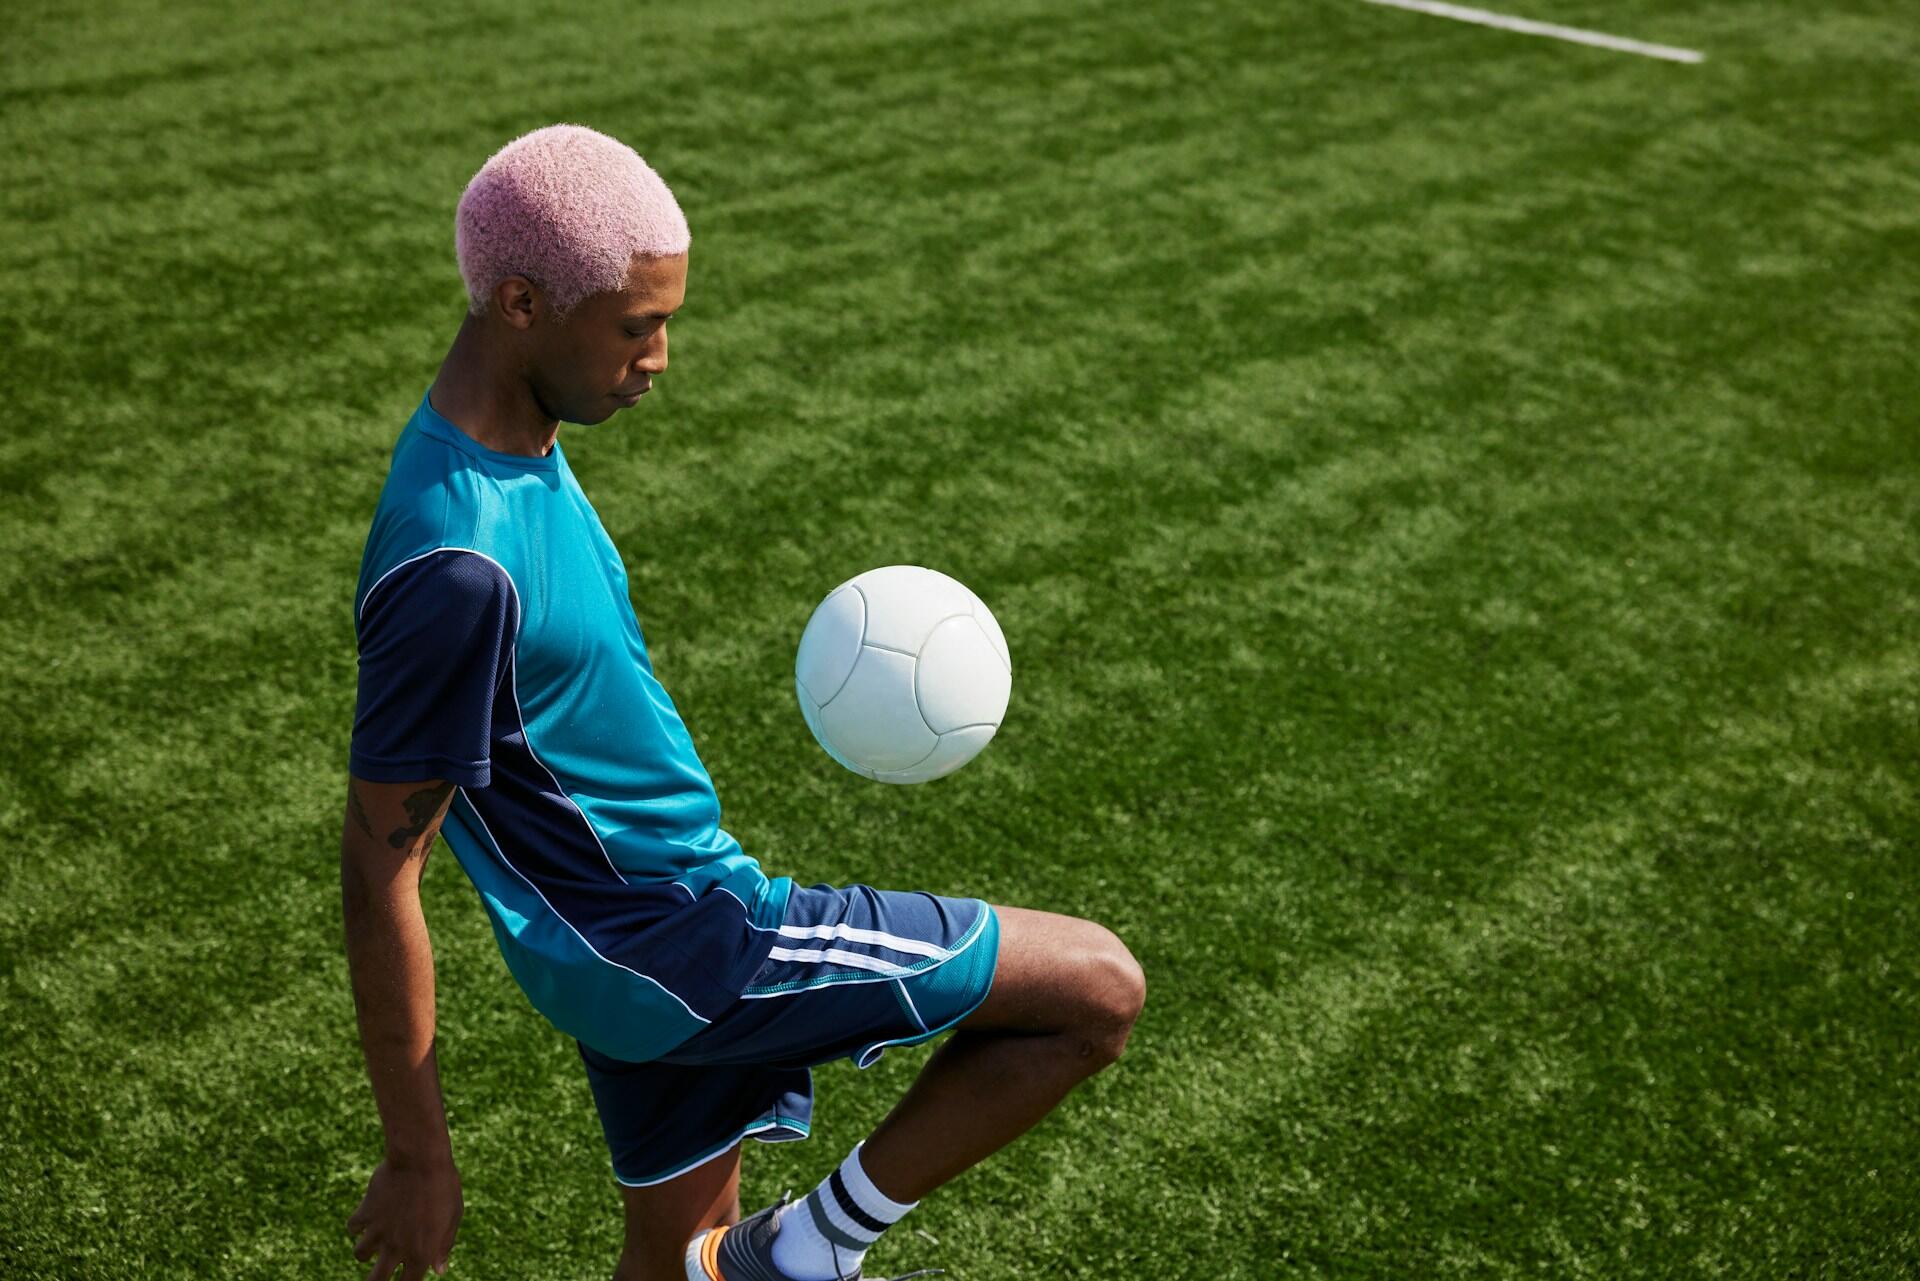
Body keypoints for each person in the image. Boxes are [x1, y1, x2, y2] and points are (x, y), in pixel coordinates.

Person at [339, 123, 1145, 1281]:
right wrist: (419, 1158)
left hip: (638, 944)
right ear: (520, 302)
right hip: (678, 943)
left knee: (677, 1275)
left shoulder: (515, 448)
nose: (660, 356)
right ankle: (808, 1252)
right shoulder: (459, 563)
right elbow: (380, 869)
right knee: (1094, 992)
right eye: (635, 326)